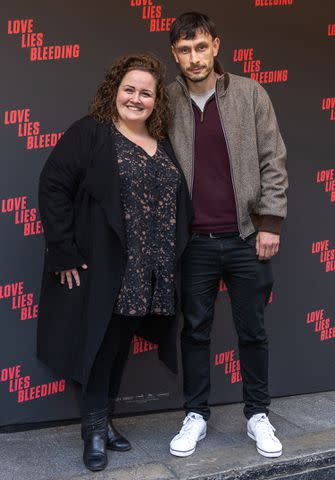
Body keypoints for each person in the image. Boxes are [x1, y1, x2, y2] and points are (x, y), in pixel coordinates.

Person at [37, 53, 192, 472]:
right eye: (129, 89)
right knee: (99, 348)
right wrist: (63, 249)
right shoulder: (92, 133)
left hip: (149, 271)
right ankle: (92, 433)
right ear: (114, 91)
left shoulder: (165, 145)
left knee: (120, 346)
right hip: (104, 266)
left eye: (146, 93)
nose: (136, 99)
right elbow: (53, 186)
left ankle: (104, 422)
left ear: (156, 101)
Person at [167, 12, 288, 459]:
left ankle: (258, 414)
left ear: (216, 45)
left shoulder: (251, 92)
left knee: (252, 331)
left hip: (244, 237)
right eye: (184, 50)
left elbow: (273, 159)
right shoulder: (167, 100)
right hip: (194, 241)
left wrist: (270, 223)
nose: (194, 58)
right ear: (175, 55)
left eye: (201, 47)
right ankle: (196, 414)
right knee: (195, 331)